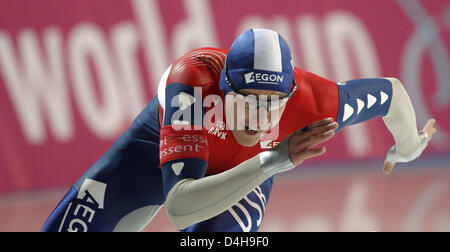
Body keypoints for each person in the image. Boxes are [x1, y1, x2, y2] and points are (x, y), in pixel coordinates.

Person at [42, 28, 436, 232]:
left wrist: (408, 147)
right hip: (155, 153)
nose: (260, 116)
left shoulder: (313, 100)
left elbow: (392, 95)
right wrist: (275, 160)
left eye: (273, 103)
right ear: (224, 89)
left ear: (290, 95)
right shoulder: (192, 81)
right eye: (248, 99)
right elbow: (179, 207)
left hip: (243, 172)